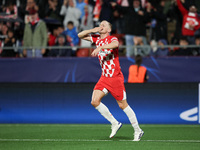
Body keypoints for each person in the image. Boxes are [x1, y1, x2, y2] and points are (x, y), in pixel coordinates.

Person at [78, 20, 144, 141]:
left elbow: (115, 45)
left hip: (115, 77)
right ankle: (114, 123)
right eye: (100, 24)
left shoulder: (112, 39)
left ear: (109, 30)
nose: (101, 26)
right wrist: (93, 30)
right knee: (94, 101)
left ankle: (138, 130)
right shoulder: (97, 39)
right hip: (104, 77)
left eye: (104, 25)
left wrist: (101, 47)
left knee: (122, 105)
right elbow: (80, 35)